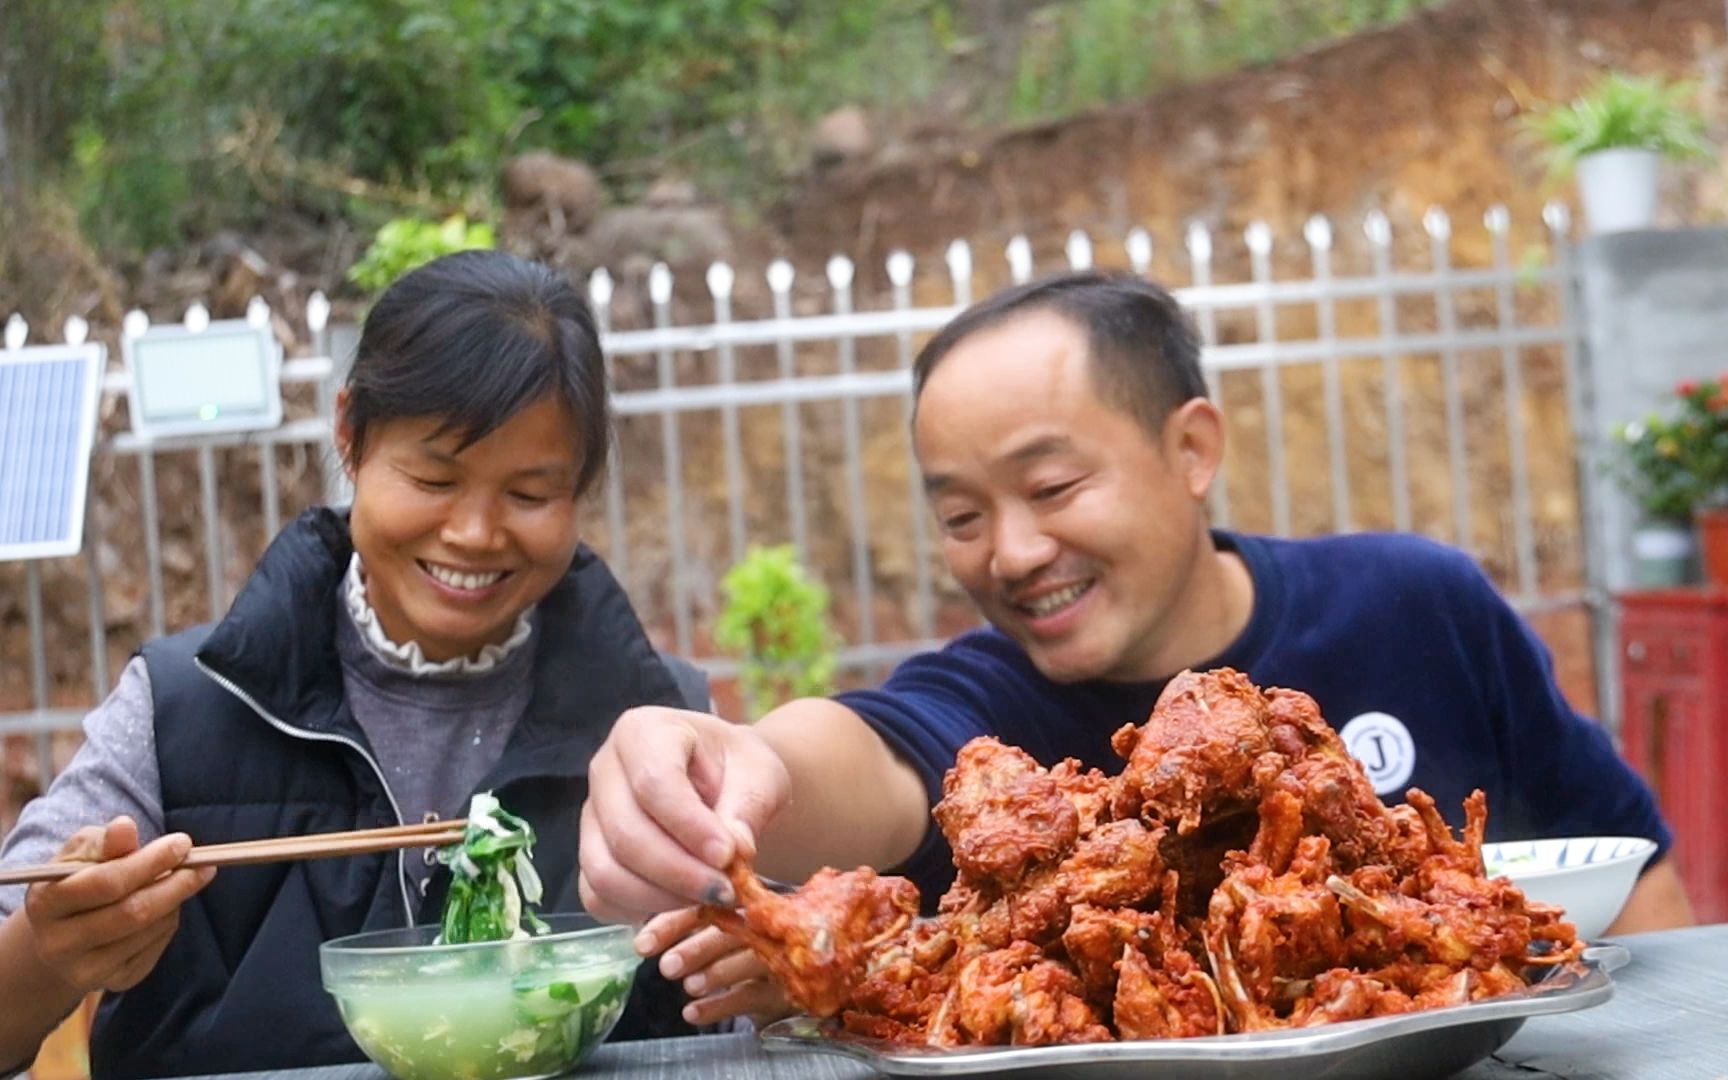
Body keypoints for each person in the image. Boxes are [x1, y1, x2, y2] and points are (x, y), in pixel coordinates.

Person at [577, 269, 1695, 1026]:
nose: (1012, 551)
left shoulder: (1418, 603)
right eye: (963, 517)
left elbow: (1633, 878)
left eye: (1053, 487)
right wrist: (732, 763)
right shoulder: (987, 714)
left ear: (1192, 448)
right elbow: (861, 755)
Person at [0, 250, 704, 1077]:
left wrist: (760, 973)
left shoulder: (664, 728)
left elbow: (762, 996)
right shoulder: (183, 709)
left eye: (529, 495)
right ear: (350, 436)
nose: (475, 533)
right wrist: (50, 953)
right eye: (433, 477)